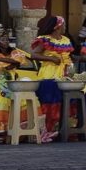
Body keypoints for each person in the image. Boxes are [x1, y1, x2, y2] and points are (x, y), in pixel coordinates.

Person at [30, 15, 74, 143]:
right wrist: (51, 59)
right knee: (49, 104)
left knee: (62, 104)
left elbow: (69, 56)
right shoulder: (45, 40)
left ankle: (60, 130)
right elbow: (34, 55)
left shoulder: (65, 40)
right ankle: (46, 131)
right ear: (57, 27)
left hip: (64, 75)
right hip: (49, 76)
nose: (65, 27)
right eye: (63, 25)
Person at [0, 32, 25, 144]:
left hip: (12, 82)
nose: (5, 42)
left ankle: (12, 133)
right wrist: (10, 62)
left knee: (15, 106)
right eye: (2, 40)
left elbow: (17, 62)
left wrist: (3, 61)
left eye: (7, 40)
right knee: (0, 106)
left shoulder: (13, 51)